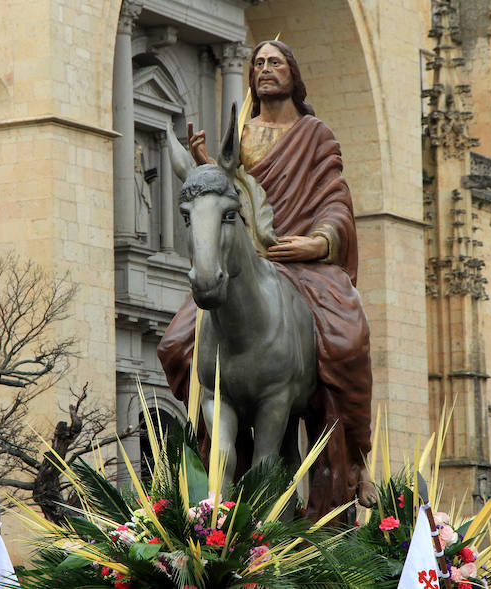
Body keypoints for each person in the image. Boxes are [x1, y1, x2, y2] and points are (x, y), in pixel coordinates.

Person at [158, 40, 374, 518]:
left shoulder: (316, 135)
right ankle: (205, 455)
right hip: (247, 262)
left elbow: (336, 199)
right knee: (176, 343)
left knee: (347, 337)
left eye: (275, 63)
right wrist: (204, 167)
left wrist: (318, 243)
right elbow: (227, 197)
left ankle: (356, 458)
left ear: (293, 74)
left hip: (302, 261)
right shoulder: (242, 133)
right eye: (258, 64)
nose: (265, 70)